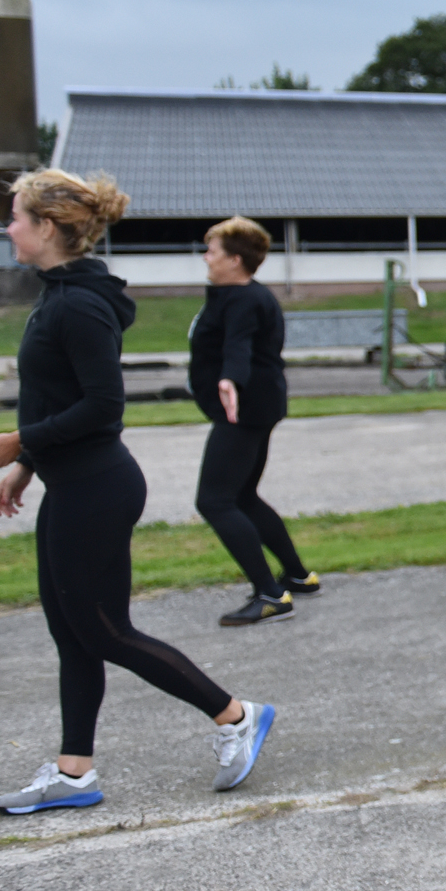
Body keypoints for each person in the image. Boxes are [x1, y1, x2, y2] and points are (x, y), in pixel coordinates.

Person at [0, 169, 277, 814]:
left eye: (17, 216)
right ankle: (73, 772)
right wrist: (28, 464)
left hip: (98, 486)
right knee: (72, 633)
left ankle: (236, 715)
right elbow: (57, 397)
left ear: (46, 227)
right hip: (71, 482)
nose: (9, 227)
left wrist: (20, 442)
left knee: (105, 630)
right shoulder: (60, 294)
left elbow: (104, 408)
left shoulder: (77, 304)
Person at [189, 215, 317, 627]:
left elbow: (237, 347)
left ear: (235, 260)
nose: (206, 257)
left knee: (214, 500)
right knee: (242, 496)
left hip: (242, 411)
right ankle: (297, 575)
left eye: (213, 251)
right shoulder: (240, 295)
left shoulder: (243, 300)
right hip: (253, 407)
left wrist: (230, 380)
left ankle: (270, 594)